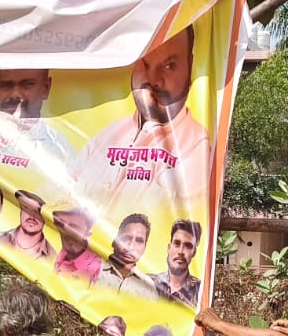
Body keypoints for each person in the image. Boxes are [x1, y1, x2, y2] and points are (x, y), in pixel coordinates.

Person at [71, 29, 211, 212]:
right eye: (144, 64)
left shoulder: (196, 147)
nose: (153, 80)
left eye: (168, 66)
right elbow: (63, 198)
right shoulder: (104, 138)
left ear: (190, 66)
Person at [0, 66, 74, 163]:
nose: (15, 94)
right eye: (6, 86)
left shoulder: (59, 149)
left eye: (26, 85)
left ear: (45, 89)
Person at [99, 214, 159, 302]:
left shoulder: (148, 288)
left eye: (139, 241)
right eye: (126, 238)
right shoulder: (93, 269)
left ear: (144, 248)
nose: (130, 246)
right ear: (114, 241)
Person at [150, 220, 202, 306]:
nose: (181, 251)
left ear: (194, 252)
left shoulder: (202, 290)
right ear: (169, 248)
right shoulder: (147, 282)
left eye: (188, 246)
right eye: (177, 244)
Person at [0, 190, 55, 261]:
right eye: (27, 208)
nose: (32, 216)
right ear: (20, 210)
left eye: (38, 212)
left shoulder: (53, 258)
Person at [52, 208, 102, 285]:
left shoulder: (93, 267)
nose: (66, 230)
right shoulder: (60, 249)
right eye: (63, 224)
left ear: (87, 234)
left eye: (74, 227)